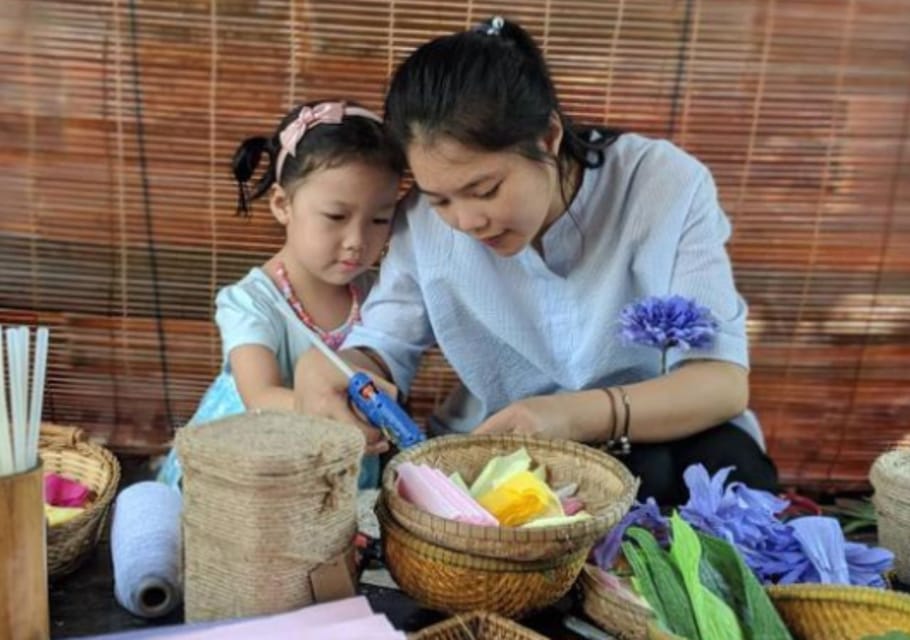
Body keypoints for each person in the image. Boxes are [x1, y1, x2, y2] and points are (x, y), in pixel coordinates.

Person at [294, 17, 778, 505]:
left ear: (547, 137)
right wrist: (337, 368)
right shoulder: (421, 223)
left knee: (718, 482)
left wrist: (570, 415)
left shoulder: (661, 186)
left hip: (662, 434)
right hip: (504, 454)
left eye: (484, 190)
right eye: (440, 199)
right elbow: (382, 347)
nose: (466, 221)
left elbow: (720, 383)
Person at [157, 100, 403, 490]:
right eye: (336, 217)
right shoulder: (253, 301)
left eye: (379, 219)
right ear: (282, 204)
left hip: (337, 468)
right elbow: (259, 394)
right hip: (251, 462)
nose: (357, 242)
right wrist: (336, 415)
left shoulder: (381, 298)